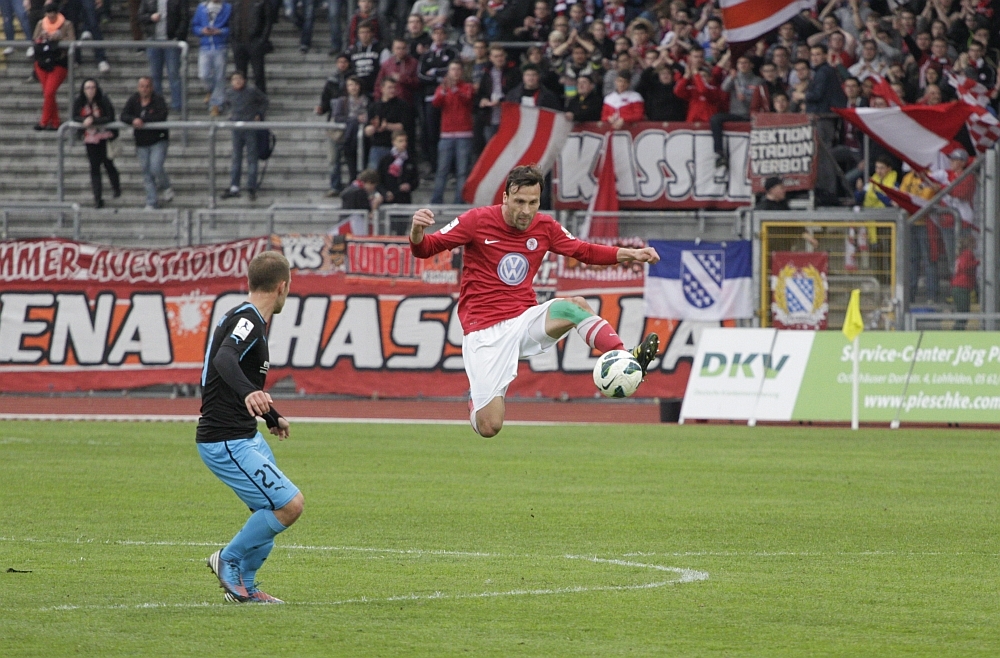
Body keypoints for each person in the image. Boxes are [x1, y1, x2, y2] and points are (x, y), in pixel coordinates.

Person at [408, 165, 661, 437]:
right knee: (490, 426)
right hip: (484, 330)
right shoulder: (476, 220)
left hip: (524, 319)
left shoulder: (545, 227)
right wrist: (417, 232)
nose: (526, 211)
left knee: (574, 306)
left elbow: (584, 251)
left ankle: (625, 357)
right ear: (505, 197)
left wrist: (632, 254)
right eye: (519, 202)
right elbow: (426, 248)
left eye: (533, 203)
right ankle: (476, 398)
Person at [198, 250, 302, 605]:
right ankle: (227, 558)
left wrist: (271, 416)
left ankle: (246, 587)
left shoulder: (246, 317)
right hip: (225, 439)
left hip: (245, 434)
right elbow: (224, 358)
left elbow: (233, 375)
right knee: (289, 505)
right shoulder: (248, 320)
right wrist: (249, 392)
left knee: (269, 508)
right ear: (282, 286)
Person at [120, 76, 173, 210]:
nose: (144, 89)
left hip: (158, 140)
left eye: (147, 86)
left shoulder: (158, 100)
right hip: (141, 142)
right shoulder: (133, 99)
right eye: (142, 86)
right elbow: (123, 115)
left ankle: (166, 185)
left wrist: (143, 120)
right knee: (146, 172)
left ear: (151, 88)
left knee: (155, 167)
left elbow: (162, 116)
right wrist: (133, 120)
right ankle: (152, 201)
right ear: (138, 88)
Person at [430, 61, 474, 204]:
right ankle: (436, 200)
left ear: (461, 72)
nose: (455, 72)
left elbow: (467, 99)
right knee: (442, 170)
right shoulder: (442, 88)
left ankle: (459, 201)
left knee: (462, 171)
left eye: (458, 69)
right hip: (446, 134)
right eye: (452, 69)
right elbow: (436, 103)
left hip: (464, 133)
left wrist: (454, 89)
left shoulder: (467, 87)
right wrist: (444, 90)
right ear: (448, 72)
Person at [73, 78, 121, 209]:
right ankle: (98, 198)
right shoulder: (79, 101)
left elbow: (110, 116)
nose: (90, 90)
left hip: (104, 136)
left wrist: (94, 120)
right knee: (94, 167)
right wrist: (84, 120)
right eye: (87, 88)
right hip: (90, 138)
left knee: (108, 163)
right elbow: (74, 116)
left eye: (92, 87)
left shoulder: (103, 99)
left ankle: (116, 187)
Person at [220, 72, 268, 201]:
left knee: (252, 158)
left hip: (250, 127)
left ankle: (251, 186)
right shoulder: (229, 93)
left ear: (244, 80)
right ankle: (234, 186)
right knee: (236, 157)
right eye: (234, 79)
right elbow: (225, 105)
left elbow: (264, 100)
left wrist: (259, 114)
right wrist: (229, 115)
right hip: (236, 128)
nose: (237, 81)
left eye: (240, 78)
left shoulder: (251, 91)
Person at [139, 0, 189, 112]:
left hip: (171, 40)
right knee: (155, 75)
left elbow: (184, 17)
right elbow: (140, 16)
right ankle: (157, 105)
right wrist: (150, 17)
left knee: (174, 74)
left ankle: (177, 105)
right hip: (153, 41)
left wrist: (178, 36)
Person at [32, 2, 73, 131]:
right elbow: (34, 39)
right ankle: (55, 122)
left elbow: (72, 41)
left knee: (49, 92)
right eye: (48, 16)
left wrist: (59, 38)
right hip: (42, 61)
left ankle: (43, 122)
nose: (50, 18)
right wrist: (42, 36)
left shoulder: (67, 24)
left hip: (58, 62)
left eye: (53, 16)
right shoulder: (41, 23)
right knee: (48, 94)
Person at [326, 76, 369, 196]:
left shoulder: (366, 100)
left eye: (356, 85)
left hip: (362, 137)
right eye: (350, 85)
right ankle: (339, 186)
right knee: (339, 161)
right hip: (346, 137)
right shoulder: (343, 101)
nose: (353, 87)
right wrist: (354, 119)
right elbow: (337, 117)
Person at [191, 0, 231, 117]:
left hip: (220, 46)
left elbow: (232, 27)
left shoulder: (227, 8)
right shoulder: (201, 7)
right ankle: (212, 91)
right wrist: (201, 31)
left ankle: (216, 105)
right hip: (205, 46)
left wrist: (220, 31)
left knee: (219, 76)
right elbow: (195, 26)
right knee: (203, 74)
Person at [366, 77, 414, 172]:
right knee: (373, 174)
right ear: (382, 89)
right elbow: (367, 129)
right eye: (389, 87)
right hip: (377, 146)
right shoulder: (374, 106)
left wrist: (387, 126)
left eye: (394, 87)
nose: (392, 90)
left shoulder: (402, 105)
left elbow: (404, 126)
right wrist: (372, 128)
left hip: (396, 148)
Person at [231, 0, 276, 94]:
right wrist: (233, 39)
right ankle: (242, 99)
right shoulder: (235, 2)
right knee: (240, 74)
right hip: (238, 42)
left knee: (258, 74)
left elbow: (268, 21)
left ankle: (260, 98)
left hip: (255, 42)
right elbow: (231, 19)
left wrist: (262, 40)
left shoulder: (262, 2)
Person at [340, 169, 382, 234]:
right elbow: (368, 215)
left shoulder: (349, 189)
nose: (373, 189)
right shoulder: (361, 193)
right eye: (373, 186)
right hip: (356, 228)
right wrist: (375, 205)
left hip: (344, 224)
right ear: (369, 182)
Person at [951, 235, 978, 329]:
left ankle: (958, 331)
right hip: (961, 287)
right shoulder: (967, 253)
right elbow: (965, 266)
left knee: (963, 314)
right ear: (970, 244)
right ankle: (956, 333)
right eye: (974, 242)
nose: (976, 244)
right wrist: (977, 262)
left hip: (959, 287)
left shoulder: (962, 254)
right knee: (963, 315)